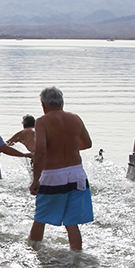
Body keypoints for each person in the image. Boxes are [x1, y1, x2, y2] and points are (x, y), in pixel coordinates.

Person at [28, 87, 93, 250]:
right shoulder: (75, 118)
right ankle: (76, 255)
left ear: (43, 104)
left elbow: (41, 151)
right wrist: (67, 146)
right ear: (62, 102)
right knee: (72, 222)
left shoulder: (42, 121)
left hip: (54, 175)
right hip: (77, 174)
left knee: (40, 218)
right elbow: (87, 144)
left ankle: (33, 252)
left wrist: (35, 180)